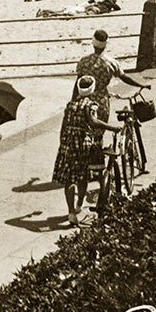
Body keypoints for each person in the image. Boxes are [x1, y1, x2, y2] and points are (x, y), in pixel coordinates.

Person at [53, 75, 120, 227]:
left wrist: (62, 142)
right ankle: (79, 204)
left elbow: (64, 126)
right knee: (82, 174)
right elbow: (93, 121)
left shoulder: (70, 105)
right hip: (83, 141)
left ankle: (70, 211)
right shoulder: (91, 105)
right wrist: (111, 127)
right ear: (92, 89)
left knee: (70, 177)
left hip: (68, 141)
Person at [75, 29, 149, 123]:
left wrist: (73, 101)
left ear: (93, 44)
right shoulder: (110, 63)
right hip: (101, 102)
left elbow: (78, 83)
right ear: (105, 46)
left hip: (84, 101)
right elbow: (124, 77)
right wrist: (141, 84)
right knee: (100, 129)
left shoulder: (83, 61)